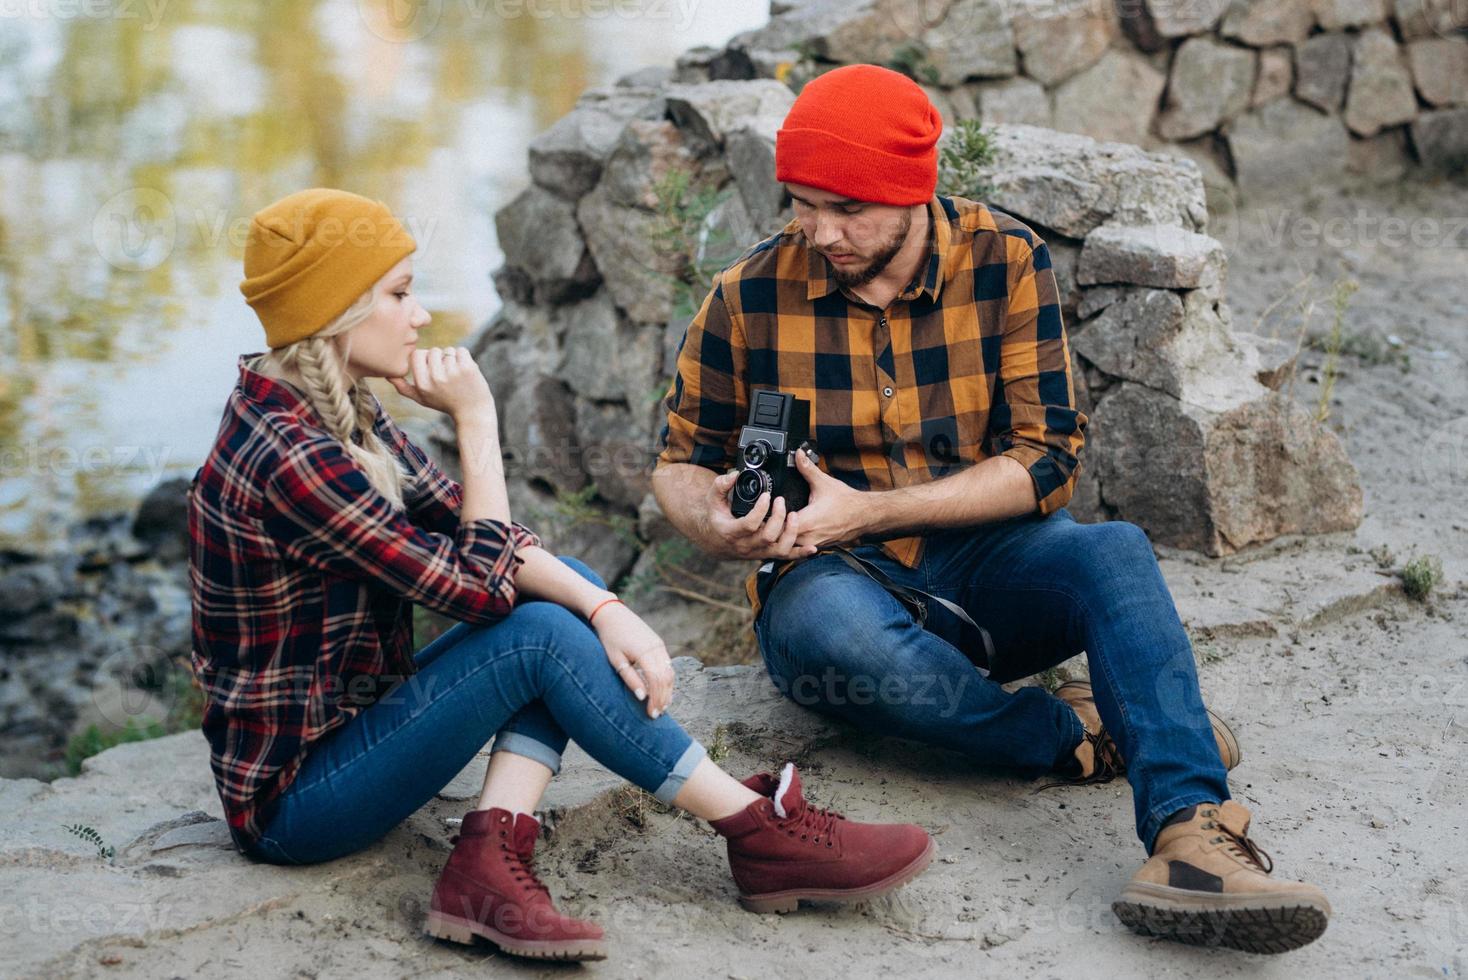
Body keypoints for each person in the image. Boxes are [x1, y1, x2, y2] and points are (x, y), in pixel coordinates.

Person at [651, 64, 1331, 954]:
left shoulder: (1005, 260)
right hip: (827, 584)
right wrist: (719, 520)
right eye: (802, 202)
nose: (818, 231)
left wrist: (871, 510)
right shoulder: (746, 294)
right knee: (835, 635)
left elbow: (1048, 459)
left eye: (846, 208)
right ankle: (1073, 733)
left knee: (1113, 551)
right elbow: (677, 465)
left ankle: (1190, 835)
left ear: (910, 190)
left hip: (987, 564)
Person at [186, 188, 935, 963]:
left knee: (561, 588)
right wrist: (477, 420)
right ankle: (754, 829)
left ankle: (486, 860)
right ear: (336, 312)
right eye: (399, 295)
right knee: (538, 634)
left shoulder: (330, 409)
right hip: (296, 804)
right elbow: (478, 586)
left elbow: (490, 542)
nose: (419, 317)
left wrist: (607, 607)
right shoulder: (292, 457)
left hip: (355, 733)